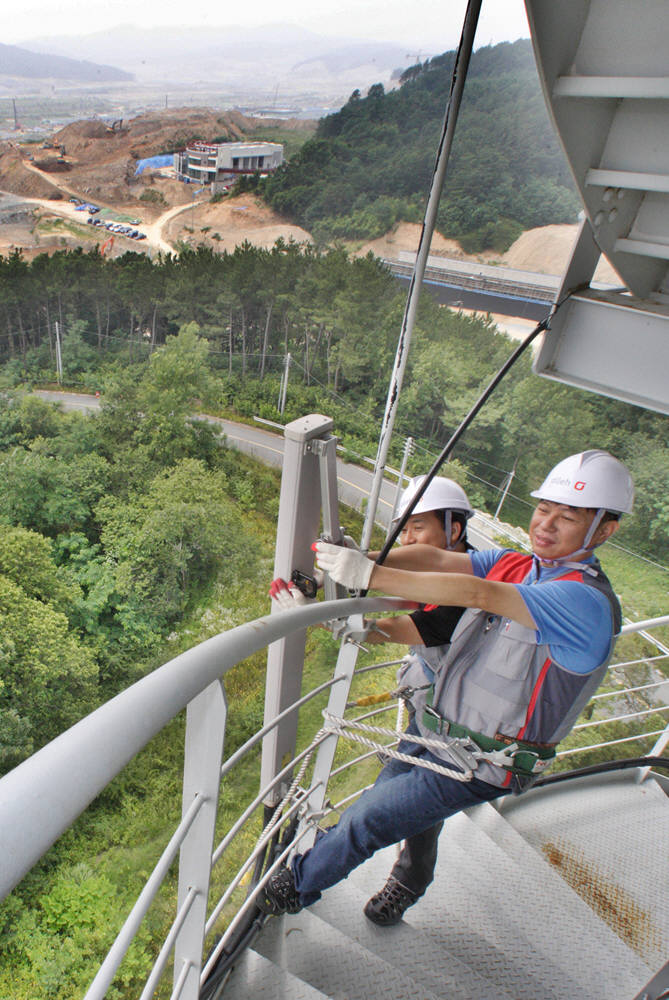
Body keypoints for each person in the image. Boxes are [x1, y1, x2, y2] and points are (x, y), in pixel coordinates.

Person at [258, 450, 634, 923]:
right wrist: (360, 559)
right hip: (434, 734)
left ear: (604, 530)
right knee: (382, 808)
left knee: (370, 817)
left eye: (568, 517)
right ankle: (398, 879)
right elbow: (437, 559)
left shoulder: (583, 602)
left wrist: (370, 575)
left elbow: (481, 595)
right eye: (543, 509)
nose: (546, 525)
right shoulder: (518, 564)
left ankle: (293, 887)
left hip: (484, 762)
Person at [270, 476, 476, 925]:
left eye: (418, 527)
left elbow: (386, 628)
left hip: (463, 739)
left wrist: (322, 617)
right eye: (404, 529)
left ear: (454, 530)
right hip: (430, 719)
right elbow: (389, 589)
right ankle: (353, 855)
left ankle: (400, 881)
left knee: (388, 812)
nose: (409, 539)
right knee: (392, 796)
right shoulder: (451, 569)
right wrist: (339, 575)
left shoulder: (467, 593)